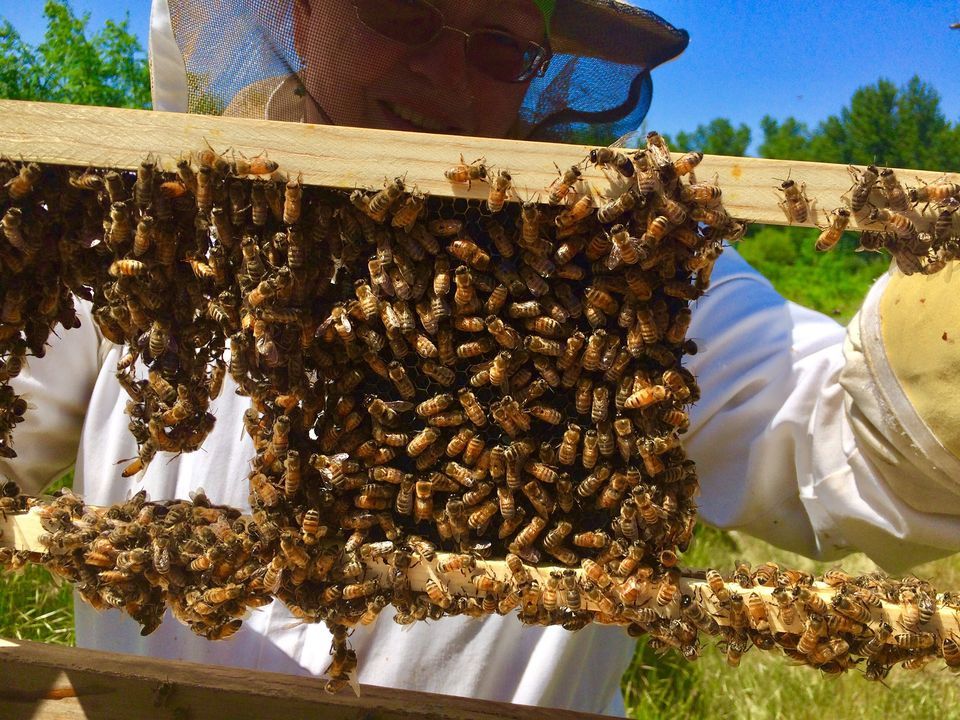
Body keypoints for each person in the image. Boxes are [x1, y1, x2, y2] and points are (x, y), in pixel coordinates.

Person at [4, 0, 960, 714]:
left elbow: (846, 442)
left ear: (541, 69)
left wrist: (938, 354)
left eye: (499, 46)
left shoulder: (634, 271)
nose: (443, 72)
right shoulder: (154, 238)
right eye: (399, 10)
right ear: (300, 12)